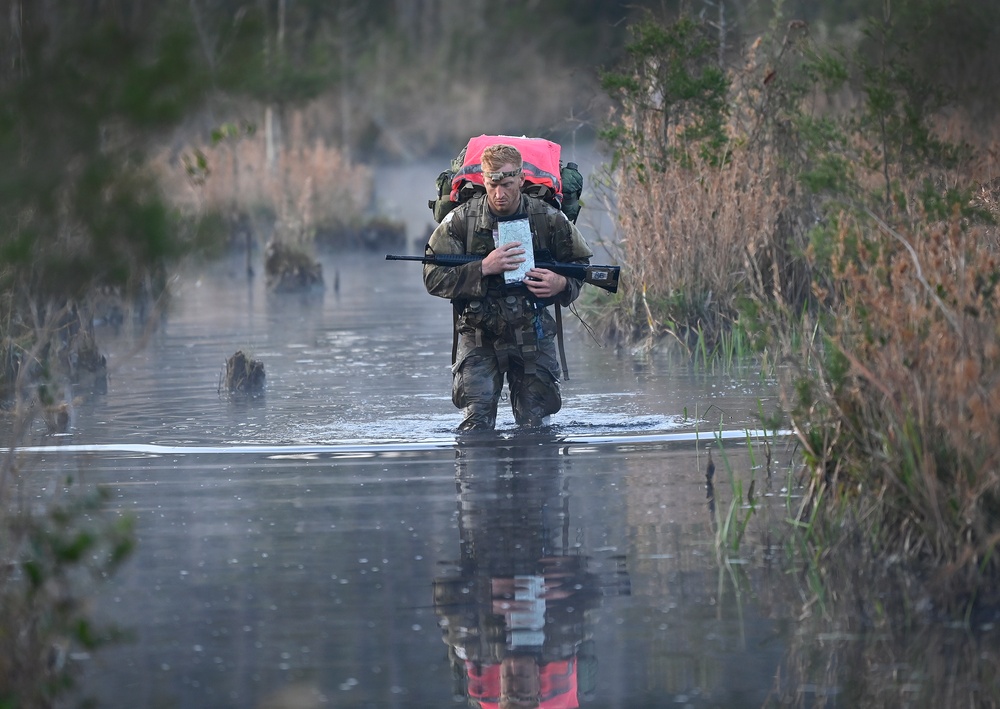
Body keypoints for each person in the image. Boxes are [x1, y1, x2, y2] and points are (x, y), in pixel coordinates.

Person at [423, 143, 593, 431]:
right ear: (484, 182)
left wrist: (561, 284)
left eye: (507, 185)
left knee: (536, 427)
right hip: (478, 335)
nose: (499, 194)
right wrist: (482, 268)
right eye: (492, 185)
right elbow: (432, 277)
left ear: (522, 181)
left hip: (533, 332)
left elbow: (582, 269)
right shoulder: (462, 219)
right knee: (475, 429)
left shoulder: (549, 218)